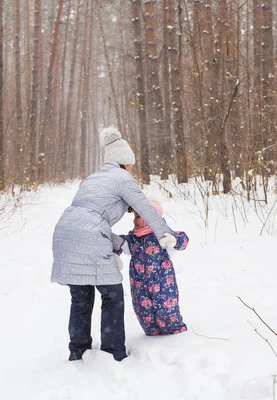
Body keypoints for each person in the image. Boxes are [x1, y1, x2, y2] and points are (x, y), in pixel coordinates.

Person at [51, 127, 178, 362]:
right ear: (124, 163)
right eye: (131, 165)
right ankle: (113, 351)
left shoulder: (92, 179)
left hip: (64, 231)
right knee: (112, 295)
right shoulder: (123, 179)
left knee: (81, 296)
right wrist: (166, 235)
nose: (132, 169)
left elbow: (89, 218)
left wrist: (116, 243)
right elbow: (147, 210)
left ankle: (78, 350)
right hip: (88, 234)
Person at [118, 197, 189, 336]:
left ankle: (176, 336)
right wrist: (115, 252)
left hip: (163, 285)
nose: (134, 220)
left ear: (150, 217)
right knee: (144, 314)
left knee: (166, 311)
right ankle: (153, 339)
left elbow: (183, 239)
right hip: (140, 286)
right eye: (134, 216)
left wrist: (174, 241)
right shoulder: (133, 237)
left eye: (138, 216)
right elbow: (121, 243)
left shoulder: (161, 234)